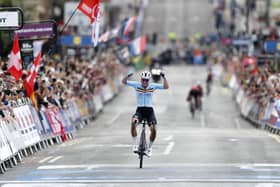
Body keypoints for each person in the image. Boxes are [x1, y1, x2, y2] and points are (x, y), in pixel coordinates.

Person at [122, 70, 169, 157]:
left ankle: (150, 148)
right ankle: (135, 145)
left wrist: (164, 77)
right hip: (140, 110)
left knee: (154, 129)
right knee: (133, 122)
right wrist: (127, 76)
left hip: (149, 111)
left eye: (146, 80)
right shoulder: (136, 85)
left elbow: (166, 87)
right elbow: (123, 82)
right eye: (143, 80)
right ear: (141, 79)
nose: (144, 82)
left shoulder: (153, 86)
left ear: (149, 80)